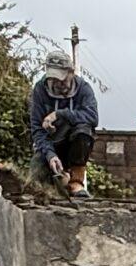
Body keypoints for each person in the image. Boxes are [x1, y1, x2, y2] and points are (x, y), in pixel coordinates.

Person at [29, 49, 98, 196]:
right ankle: (61, 181)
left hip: (74, 142)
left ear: (71, 73)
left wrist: (59, 114)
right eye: (54, 80)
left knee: (84, 131)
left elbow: (92, 117)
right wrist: (50, 154)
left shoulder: (84, 89)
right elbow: (36, 129)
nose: (59, 84)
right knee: (34, 181)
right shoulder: (40, 90)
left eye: (62, 79)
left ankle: (76, 183)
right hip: (51, 144)